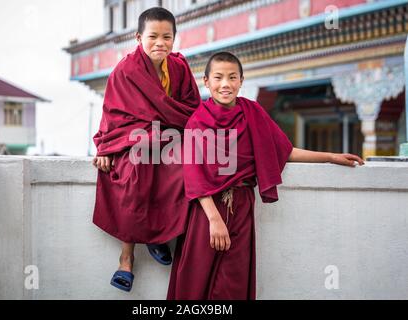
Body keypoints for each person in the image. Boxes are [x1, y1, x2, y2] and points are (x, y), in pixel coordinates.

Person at [167, 52, 364, 300]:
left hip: (241, 207)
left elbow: (284, 150)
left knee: (234, 283)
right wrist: (214, 219)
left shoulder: (252, 113)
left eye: (232, 77)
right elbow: (193, 174)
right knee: (196, 282)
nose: (225, 84)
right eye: (218, 77)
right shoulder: (198, 122)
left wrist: (329, 157)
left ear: (241, 81)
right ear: (206, 82)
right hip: (206, 212)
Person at [92, 7, 200, 292]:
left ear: (174, 39)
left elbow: (191, 109)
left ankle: (157, 235)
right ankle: (126, 259)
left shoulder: (179, 67)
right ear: (139, 38)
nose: (160, 43)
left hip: (170, 138)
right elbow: (113, 113)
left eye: (167, 37)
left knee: (183, 169)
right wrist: (105, 145)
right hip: (134, 140)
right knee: (134, 173)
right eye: (153, 36)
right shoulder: (126, 70)